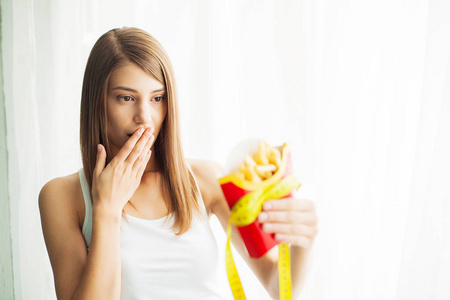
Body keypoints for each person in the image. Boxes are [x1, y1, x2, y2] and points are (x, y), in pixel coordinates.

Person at [38, 27, 318, 300]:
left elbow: (279, 287)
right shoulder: (62, 197)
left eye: (157, 98)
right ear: (97, 101)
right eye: (126, 98)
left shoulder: (206, 179)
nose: (144, 117)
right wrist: (107, 210)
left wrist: (304, 242)